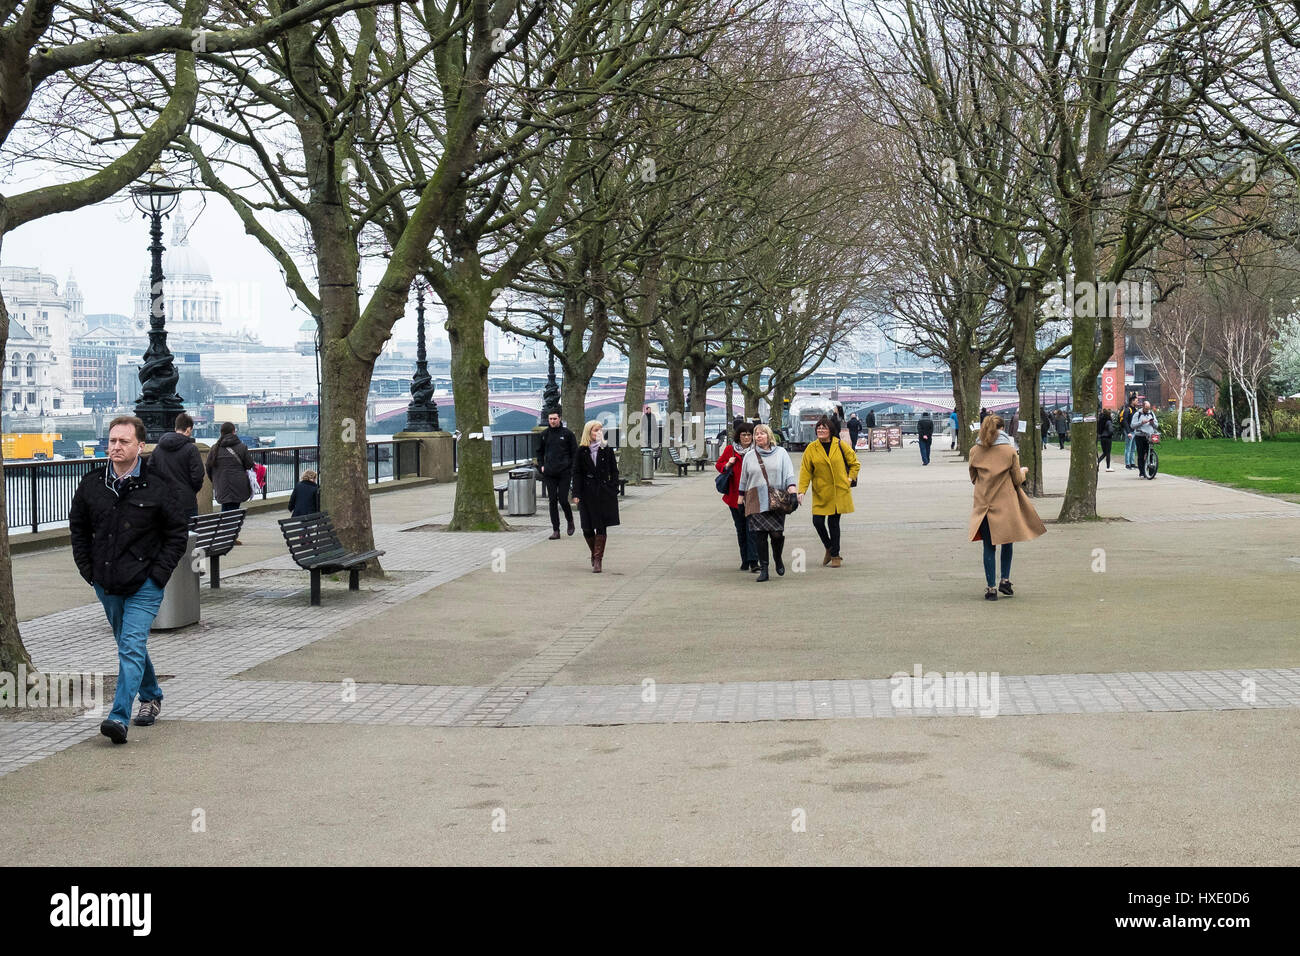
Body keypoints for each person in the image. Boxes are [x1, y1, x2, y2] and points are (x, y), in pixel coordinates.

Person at [69, 416, 189, 744]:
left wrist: (158, 576)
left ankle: (118, 717)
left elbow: (177, 534)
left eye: (123, 441)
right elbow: (77, 526)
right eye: (112, 441)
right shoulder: (93, 483)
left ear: (140, 446)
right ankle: (151, 695)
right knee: (128, 644)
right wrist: (87, 569)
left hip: (145, 583)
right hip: (105, 580)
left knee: (132, 644)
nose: (116, 447)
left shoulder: (159, 485)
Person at [968, 414, 1046, 601]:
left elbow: (973, 478)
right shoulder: (1009, 451)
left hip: (984, 504)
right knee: (1007, 542)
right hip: (1005, 504)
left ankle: (990, 588)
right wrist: (1023, 471)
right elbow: (1017, 480)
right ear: (1002, 429)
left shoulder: (974, 451)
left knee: (988, 545)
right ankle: (1005, 580)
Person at [797, 416, 860, 568]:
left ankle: (835, 555)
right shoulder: (811, 448)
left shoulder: (840, 445)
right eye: (819, 428)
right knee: (817, 522)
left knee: (833, 523)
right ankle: (829, 547)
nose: (821, 430)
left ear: (831, 431)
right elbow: (806, 471)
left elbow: (854, 463)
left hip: (838, 491)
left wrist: (849, 479)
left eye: (824, 428)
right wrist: (801, 491)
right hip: (820, 492)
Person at [737, 423, 798, 582]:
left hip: (776, 498)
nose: (758, 436)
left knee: (776, 534)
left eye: (762, 433)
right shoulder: (749, 456)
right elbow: (743, 479)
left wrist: (792, 493)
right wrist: (740, 499)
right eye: (756, 434)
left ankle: (777, 558)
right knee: (760, 534)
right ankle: (764, 569)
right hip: (755, 498)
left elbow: (789, 474)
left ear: (769, 436)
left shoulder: (781, 453)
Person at [571, 420, 619, 572]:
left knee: (601, 526)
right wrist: (576, 493)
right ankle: (594, 553)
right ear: (588, 432)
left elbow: (614, 470)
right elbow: (577, 473)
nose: (598, 433)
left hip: (603, 492)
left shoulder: (606, 449)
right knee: (586, 527)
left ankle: (598, 559)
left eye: (600, 430)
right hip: (586, 492)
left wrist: (613, 487)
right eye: (595, 430)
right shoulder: (581, 451)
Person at [716, 420, 758, 572]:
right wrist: (728, 464)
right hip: (734, 497)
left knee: (752, 529)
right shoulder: (730, 450)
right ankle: (745, 559)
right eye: (743, 435)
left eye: (749, 435)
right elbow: (719, 466)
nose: (746, 438)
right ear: (738, 436)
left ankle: (754, 561)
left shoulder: (757, 451)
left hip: (753, 496)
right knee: (741, 529)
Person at [146, 411, 205, 518]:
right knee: (189, 533)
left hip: (163, 501)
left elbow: (150, 472)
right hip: (186, 502)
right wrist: (190, 491)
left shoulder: (158, 448)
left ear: (175, 428)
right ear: (188, 429)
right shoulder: (191, 449)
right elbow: (198, 476)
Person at [535, 410, 577, 540]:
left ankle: (570, 521)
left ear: (560, 419)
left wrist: (572, 468)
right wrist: (541, 465)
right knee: (552, 500)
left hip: (564, 472)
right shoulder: (544, 434)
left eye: (554, 419)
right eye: (550, 419)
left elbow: (574, 453)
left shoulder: (568, 434)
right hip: (549, 472)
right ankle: (556, 530)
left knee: (563, 499)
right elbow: (539, 452)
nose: (552, 421)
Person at [206, 421, 255, 514]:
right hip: (238, 485)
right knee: (234, 511)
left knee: (225, 509)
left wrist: (216, 480)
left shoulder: (214, 448)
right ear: (233, 432)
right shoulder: (242, 447)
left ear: (221, 433)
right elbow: (249, 465)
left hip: (221, 484)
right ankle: (230, 527)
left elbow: (208, 467)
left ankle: (226, 527)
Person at [1132, 401, 1158, 477]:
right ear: (1143, 407)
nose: (1147, 410)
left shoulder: (1151, 413)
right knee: (1141, 454)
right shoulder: (1137, 414)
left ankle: (1151, 472)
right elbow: (1132, 425)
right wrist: (1141, 422)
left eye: (1148, 408)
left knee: (1150, 453)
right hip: (1140, 436)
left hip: (1149, 436)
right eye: (1146, 409)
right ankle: (1142, 472)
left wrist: (1152, 423)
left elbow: (1156, 425)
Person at [1120, 393, 1138, 468]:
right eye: (1136, 400)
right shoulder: (1128, 410)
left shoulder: (1135, 410)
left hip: (1134, 431)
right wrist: (1128, 432)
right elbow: (1125, 421)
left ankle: (1132, 463)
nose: (1137, 402)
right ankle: (1127, 464)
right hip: (1129, 431)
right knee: (1128, 447)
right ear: (1132, 401)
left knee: (1133, 448)